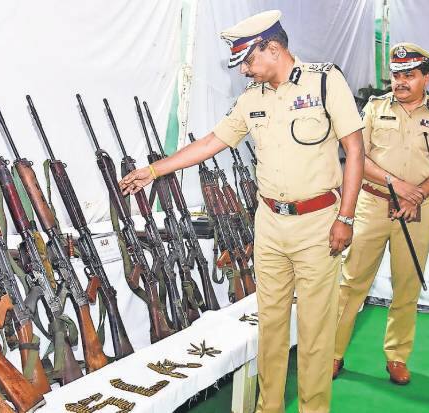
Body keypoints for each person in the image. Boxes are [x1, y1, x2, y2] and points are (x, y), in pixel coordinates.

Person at [120, 9, 364, 413]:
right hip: (269, 223)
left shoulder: (325, 82)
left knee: (315, 330)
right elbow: (212, 142)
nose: (244, 70)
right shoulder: (251, 99)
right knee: (270, 326)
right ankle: (269, 406)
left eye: (249, 60)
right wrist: (154, 170)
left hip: (319, 224)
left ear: (273, 48)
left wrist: (346, 217)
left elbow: (354, 150)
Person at [332, 43, 429, 384]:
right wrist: (398, 185)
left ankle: (397, 357)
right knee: (351, 283)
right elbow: (357, 156)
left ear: (426, 78)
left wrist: (416, 195)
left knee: (407, 286)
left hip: (417, 211)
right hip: (372, 205)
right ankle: (333, 353)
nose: (401, 81)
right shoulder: (375, 108)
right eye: (396, 75)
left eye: (410, 75)